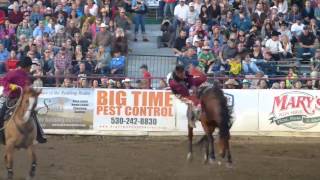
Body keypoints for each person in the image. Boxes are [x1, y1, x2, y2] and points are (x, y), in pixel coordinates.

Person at [0, 57, 47, 144]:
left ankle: (39, 135)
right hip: (12, 98)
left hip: (23, 98)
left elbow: (27, 86)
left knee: (32, 113)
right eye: (30, 66)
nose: (30, 68)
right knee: (1, 114)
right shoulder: (13, 73)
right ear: (26, 66)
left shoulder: (26, 75)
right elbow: (3, 80)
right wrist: (10, 86)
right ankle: (2, 135)